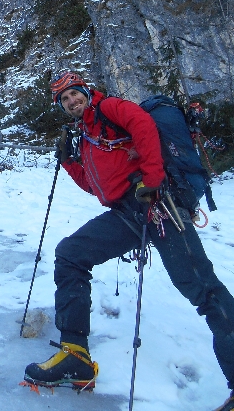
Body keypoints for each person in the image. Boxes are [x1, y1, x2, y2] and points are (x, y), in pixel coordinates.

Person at [23, 71, 234, 411]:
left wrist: (152, 179)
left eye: (75, 94)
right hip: (127, 210)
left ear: (86, 92)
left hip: (158, 205)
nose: (71, 101)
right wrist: (68, 162)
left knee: (202, 289)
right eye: (64, 100)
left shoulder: (110, 108)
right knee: (71, 254)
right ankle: (75, 356)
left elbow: (143, 126)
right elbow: (97, 186)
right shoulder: (89, 133)